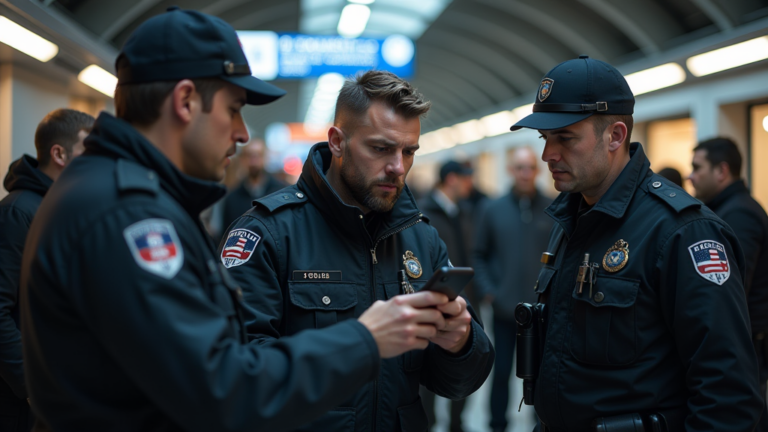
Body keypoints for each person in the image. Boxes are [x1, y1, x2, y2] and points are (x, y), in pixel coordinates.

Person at [20, 8, 456, 431]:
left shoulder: (102, 190)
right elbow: (218, 388)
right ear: (185, 100)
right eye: (233, 108)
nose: (243, 132)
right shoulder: (126, 214)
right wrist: (365, 339)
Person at [220, 70, 494, 432]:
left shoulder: (421, 238)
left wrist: (460, 342)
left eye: (408, 151)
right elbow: (236, 379)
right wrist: (360, 343)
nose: (398, 167)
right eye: (380, 148)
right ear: (337, 141)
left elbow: (457, 383)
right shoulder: (267, 234)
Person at [509, 56, 762, 431]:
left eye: (565, 138)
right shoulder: (571, 219)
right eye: (545, 139)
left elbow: (727, 395)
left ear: (615, 136)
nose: (549, 155)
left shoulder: (683, 232)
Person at [0, 108, 94, 431]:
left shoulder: (59, 208)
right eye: (88, 151)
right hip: (22, 401)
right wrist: (30, 385)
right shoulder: (18, 212)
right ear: (59, 154)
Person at [689, 137, 768, 432]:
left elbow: (730, 290)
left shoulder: (739, 214)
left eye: (697, 167)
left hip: (744, 347)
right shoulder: (725, 210)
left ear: (721, 171)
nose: (690, 175)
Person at [472, 146, 553, 432]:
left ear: (537, 170)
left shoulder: (551, 208)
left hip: (541, 311)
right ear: (511, 170)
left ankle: (542, 423)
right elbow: (479, 254)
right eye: (520, 167)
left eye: (530, 167)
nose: (525, 173)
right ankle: (497, 425)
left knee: (542, 374)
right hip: (505, 309)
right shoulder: (492, 209)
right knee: (502, 372)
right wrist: (489, 291)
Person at [417, 160, 475, 432]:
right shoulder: (423, 213)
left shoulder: (462, 211)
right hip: (432, 305)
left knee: (461, 367)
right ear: (451, 179)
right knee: (427, 372)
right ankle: (428, 424)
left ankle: (456, 424)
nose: (470, 183)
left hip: (462, 302)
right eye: (466, 177)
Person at [220, 138, 287, 233]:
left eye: (258, 155)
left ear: (265, 158)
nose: (254, 161)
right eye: (250, 156)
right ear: (242, 159)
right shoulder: (232, 198)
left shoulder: (281, 193)